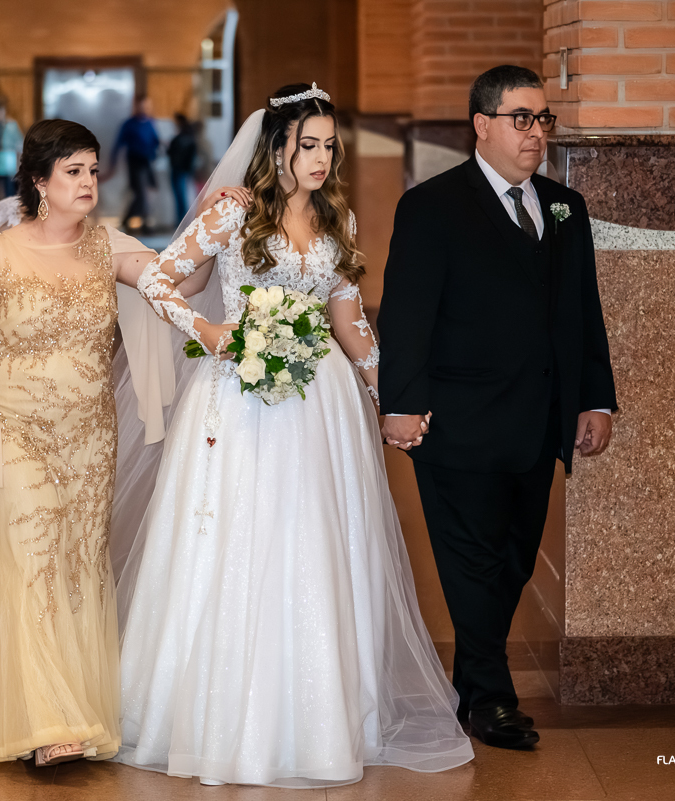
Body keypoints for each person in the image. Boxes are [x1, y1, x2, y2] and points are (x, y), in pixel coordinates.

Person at [115, 84, 474, 787]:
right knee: (243, 543)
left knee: (317, 545)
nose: (320, 157)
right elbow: (160, 282)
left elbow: (350, 322)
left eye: (329, 145)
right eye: (307, 144)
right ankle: (224, 722)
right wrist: (211, 330)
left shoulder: (337, 219)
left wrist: (388, 396)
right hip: (241, 401)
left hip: (322, 406)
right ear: (275, 147)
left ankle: (321, 716)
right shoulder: (232, 215)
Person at [0, 119, 243, 767]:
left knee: (78, 566)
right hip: (16, 434)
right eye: (73, 171)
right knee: (30, 565)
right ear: (38, 181)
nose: (87, 182)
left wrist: (211, 226)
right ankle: (47, 721)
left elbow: (177, 282)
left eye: (92, 169)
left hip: (89, 439)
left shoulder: (109, 247)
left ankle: (74, 710)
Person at [377, 65, 618, 750]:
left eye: (544, 119)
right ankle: (490, 696)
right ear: (482, 125)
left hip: (537, 420)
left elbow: (583, 312)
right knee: (472, 559)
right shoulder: (432, 206)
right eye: (522, 118)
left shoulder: (566, 208)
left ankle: (471, 678)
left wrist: (593, 396)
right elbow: (408, 313)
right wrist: (402, 402)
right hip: (458, 421)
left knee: (512, 557)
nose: (536, 133)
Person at [108, 95, 160, 233]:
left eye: (147, 105)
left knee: (150, 191)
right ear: (136, 106)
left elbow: (155, 141)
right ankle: (145, 223)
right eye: (141, 105)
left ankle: (128, 219)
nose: (144, 108)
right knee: (141, 192)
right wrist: (111, 167)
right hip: (135, 161)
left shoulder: (150, 123)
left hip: (147, 161)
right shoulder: (129, 124)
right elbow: (117, 145)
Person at [166, 113, 197, 227]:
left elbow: (170, 153)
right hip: (185, 170)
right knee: (184, 196)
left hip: (177, 169)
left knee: (180, 197)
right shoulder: (190, 137)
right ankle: (182, 221)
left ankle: (181, 222)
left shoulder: (178, 139)